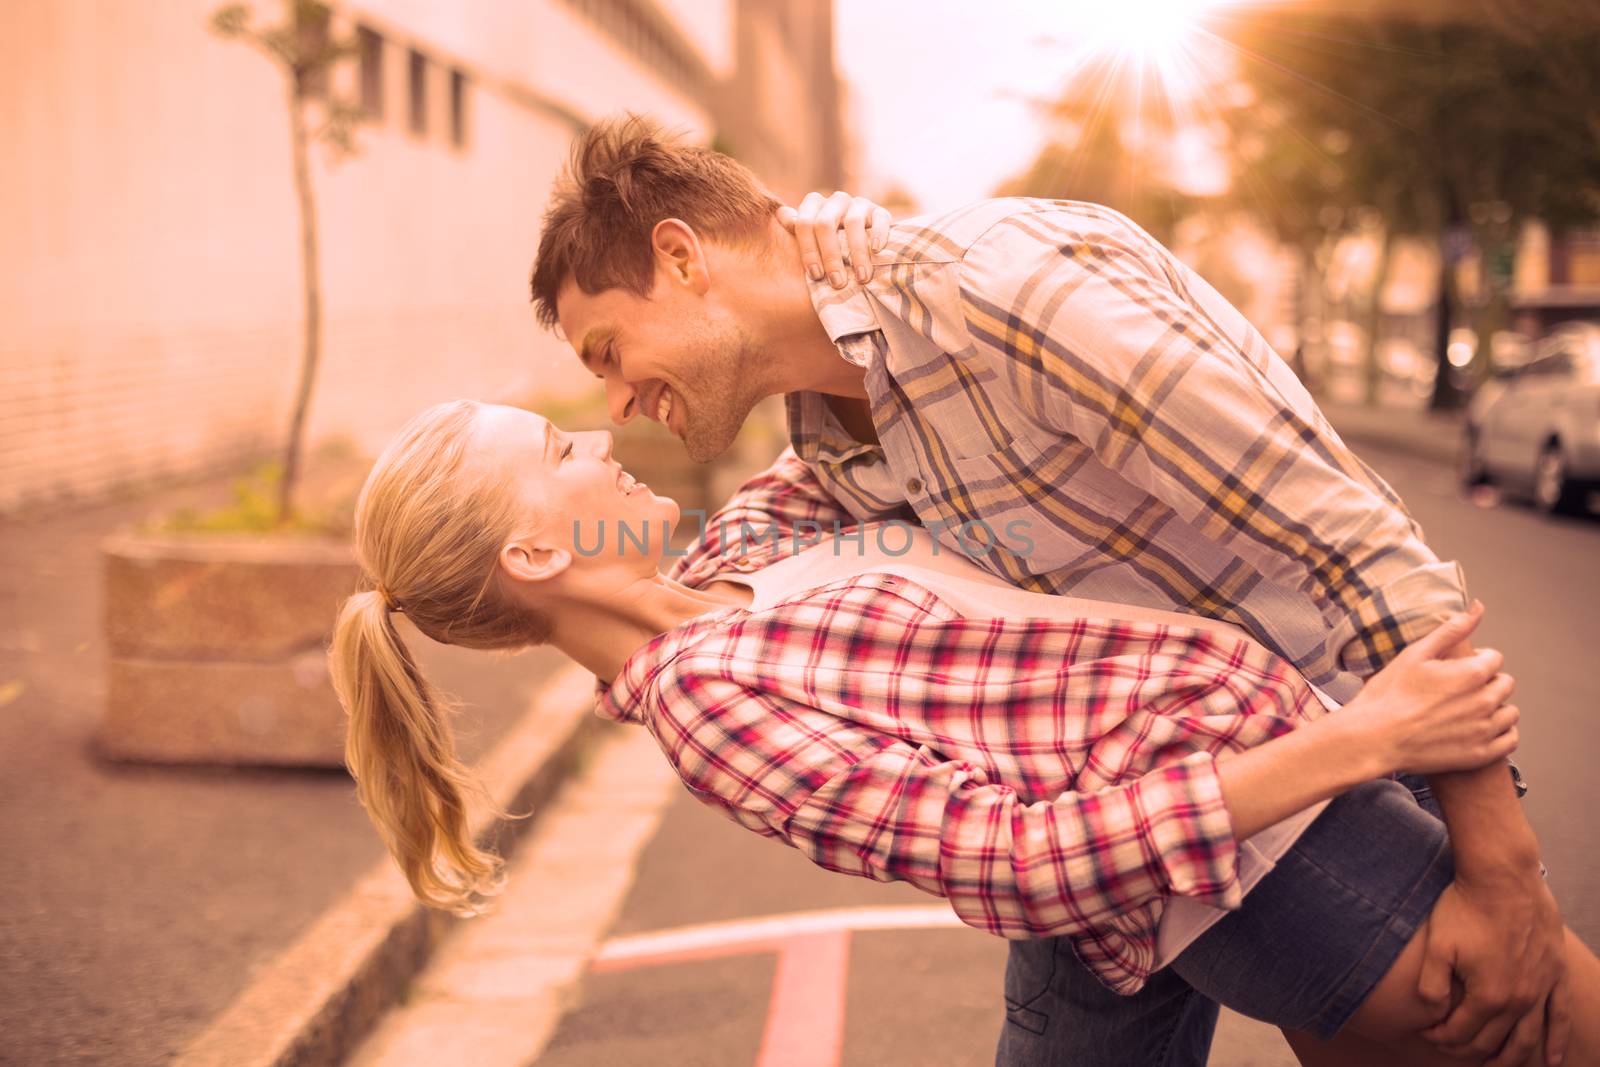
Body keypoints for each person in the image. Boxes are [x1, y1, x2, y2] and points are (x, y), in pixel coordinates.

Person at [527, 115, 1571, 1066]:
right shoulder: (828, 434)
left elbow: (1352, 539)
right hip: (1166, 821)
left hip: (1343, 766)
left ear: (679, 256)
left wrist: (1503, 866)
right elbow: (703, 574)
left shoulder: (996, 291)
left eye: (609, 351)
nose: (614, 401)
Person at [328, 398, 1600, 1067]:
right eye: (561, 447)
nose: (604, 433)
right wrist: (1367, 738)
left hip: (1295, 804)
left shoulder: (735, 558)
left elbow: (836, 405)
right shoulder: (710, 707)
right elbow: (1016, 859)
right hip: (1286, 855)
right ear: (541, 550)